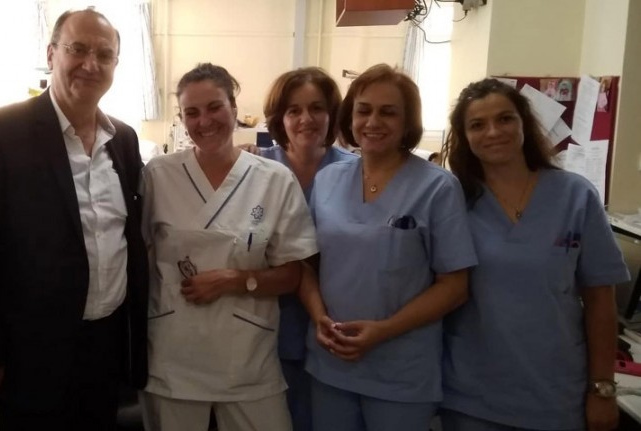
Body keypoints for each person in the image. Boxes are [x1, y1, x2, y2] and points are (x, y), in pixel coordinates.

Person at [0, 8, 148, 430]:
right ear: (51, 53)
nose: (90, 64)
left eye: (104, 54)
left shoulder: (124, 140)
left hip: (107, 344)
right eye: (78, 49)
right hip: (30, 353)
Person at [440, 78, 630, 431]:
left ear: (524, 123)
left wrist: (602, 388)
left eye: (505, 118)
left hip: (556, 394)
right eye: (477, 125)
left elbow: (601, 300)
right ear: (464, 136)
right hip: (472, 396)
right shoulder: (453, 201)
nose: (493, 132)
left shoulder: (575, 196)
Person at [298, 63, 477, 431]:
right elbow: (306, 265)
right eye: (363, 110)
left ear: (408, 121)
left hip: (401, 372)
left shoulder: (437, 187)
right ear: (350, 117)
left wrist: (384, 330)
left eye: (388, 112)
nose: (373, 122)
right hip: (331, 362)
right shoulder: (328, 180)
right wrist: (318, 317)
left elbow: (455, 286)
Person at [140, 62, 318, 431]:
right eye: (192, 112)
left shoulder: (274, 180)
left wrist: (234, 280)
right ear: (181, 119)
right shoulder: (157, 175)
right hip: (174, 353)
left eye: (214, 107)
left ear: (234, 109)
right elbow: (137, 256)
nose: (204, 121)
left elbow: (292, 274)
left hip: (247, 356)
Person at [259, 66, 357, 431]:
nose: (306, 119)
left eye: (317, 108)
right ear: (279, 118)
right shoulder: (255, 168)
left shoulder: (358, 173)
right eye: (294, 110)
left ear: (332, 114)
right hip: (269, 320)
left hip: (338, 322)